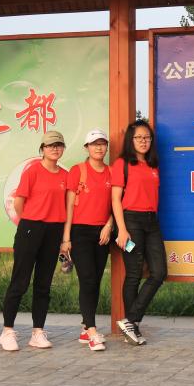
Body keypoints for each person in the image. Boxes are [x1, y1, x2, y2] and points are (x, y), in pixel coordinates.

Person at [0, 130, 69, 352]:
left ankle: (38, 332)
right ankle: (7, 331)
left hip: (54, 231)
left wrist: (64, 238)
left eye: (58, 145)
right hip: (31, 227)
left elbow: (67, 207)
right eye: (50, 145)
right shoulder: (32, 171)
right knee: (20, 282)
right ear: (42, 149)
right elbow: (19, 202)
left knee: (43, 284)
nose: (54, 149)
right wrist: (28, 223)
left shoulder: (65, 175)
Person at [111, 119, 166, 345]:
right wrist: (122, 230)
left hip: (152, 222)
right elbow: (115, 199)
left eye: (147, 138)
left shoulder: (153, 165)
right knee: (133, 274)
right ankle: (132, 328)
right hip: (131, 221)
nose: (143, 141)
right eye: (139, 138)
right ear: (130, 140)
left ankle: (130, 320)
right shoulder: (122, 164)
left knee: (159, 272)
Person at [61, 129, 114, 352]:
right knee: (88, 278)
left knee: (95, 281)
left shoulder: (111, 172)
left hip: (102, 233)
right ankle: (92, 332)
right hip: (80, 232)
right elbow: (69, 206)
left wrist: (109, 225)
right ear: (87, 148)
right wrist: (66, 238)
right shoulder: (77, 171)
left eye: (102, 143)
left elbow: (116, 204)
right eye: (94, 144)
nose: (99, 147)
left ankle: (85, 327)